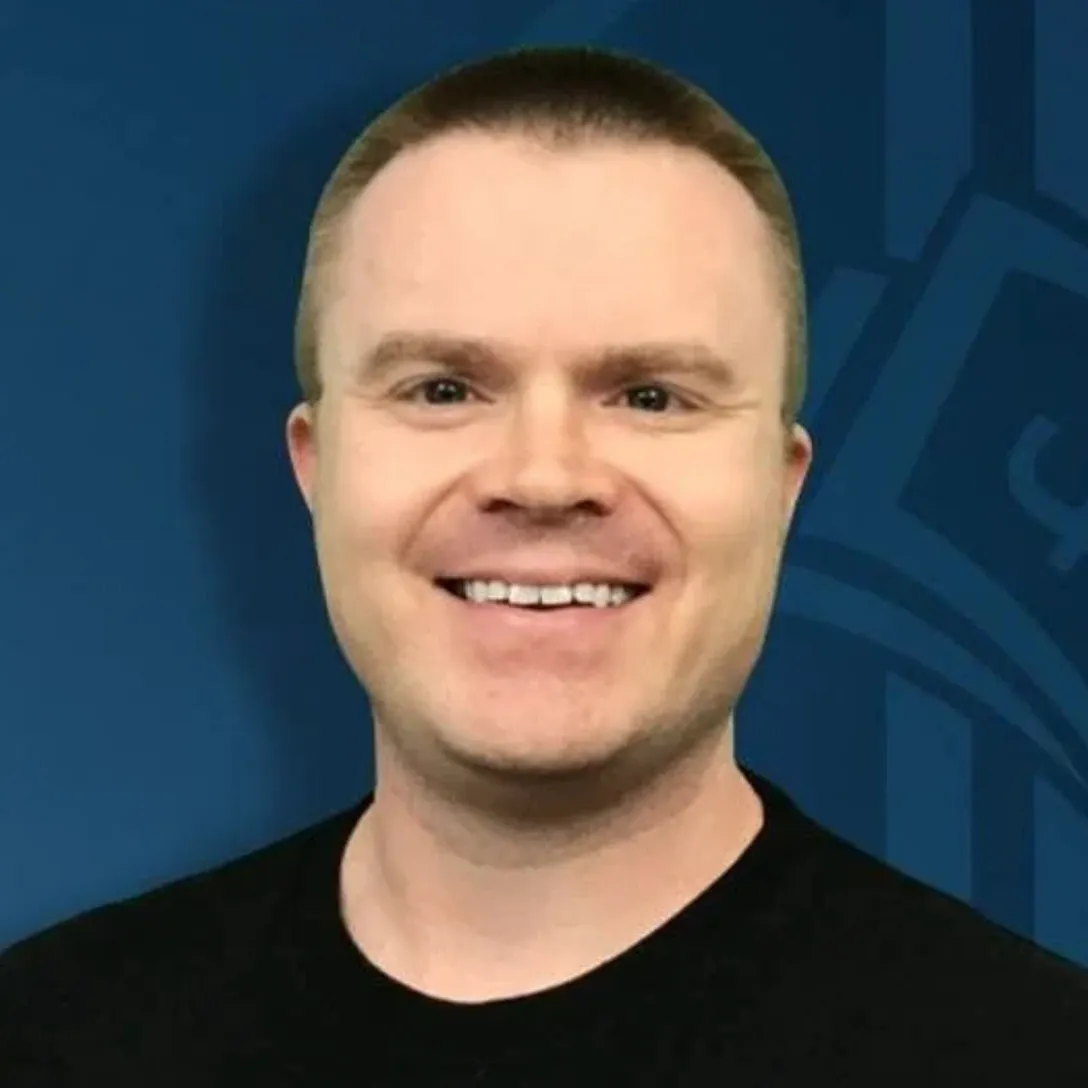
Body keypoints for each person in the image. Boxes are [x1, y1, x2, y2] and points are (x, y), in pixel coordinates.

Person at [2, 44, 1085, 1086]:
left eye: (650, 395)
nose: (543, 474)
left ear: (781, 482)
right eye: (442, 389)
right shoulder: (48, 1038)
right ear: (315, 464)